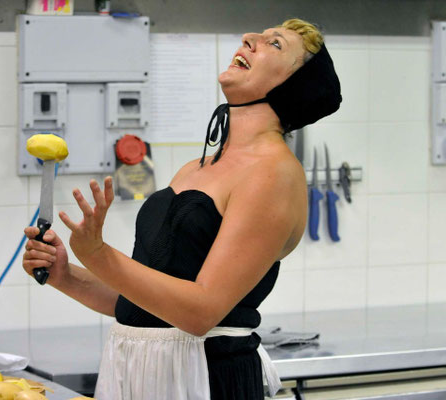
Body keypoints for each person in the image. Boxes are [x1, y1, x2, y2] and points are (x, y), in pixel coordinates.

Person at [22, 18, 341, 400]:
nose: (249, 38)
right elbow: (144, 303)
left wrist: (98, 254)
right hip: (134, 370)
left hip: (206, 377)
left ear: (294, 85)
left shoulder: (274, 174)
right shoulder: (195, 168)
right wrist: (65, 275)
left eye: (275, 44)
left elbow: (200, 312)